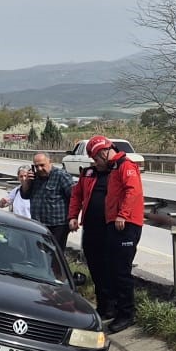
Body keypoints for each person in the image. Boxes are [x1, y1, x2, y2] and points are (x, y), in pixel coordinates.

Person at [69, 135, 144, 330]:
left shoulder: (124, 166)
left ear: (103, 152)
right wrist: (74, 215)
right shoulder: (93, 172)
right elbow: (78, 194)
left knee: (120, 271)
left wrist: (122, 215)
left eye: (95, 158)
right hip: (107, 226)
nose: (94, 162)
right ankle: (111, 309)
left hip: (123, 225)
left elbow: (132, 191)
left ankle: (126, 314)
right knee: (107, 268)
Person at [26, 152, 75, 252]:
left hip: (57, 225)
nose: (39, 169)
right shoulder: (35, 178)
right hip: (39, 224)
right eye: (36, 166)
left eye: (42, 165)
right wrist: (27, 183)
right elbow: (25, 195)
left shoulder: (61, 176)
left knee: (54, 254)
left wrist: (73, 217)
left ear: (50, 162)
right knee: (39, 254)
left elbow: (74, 197)